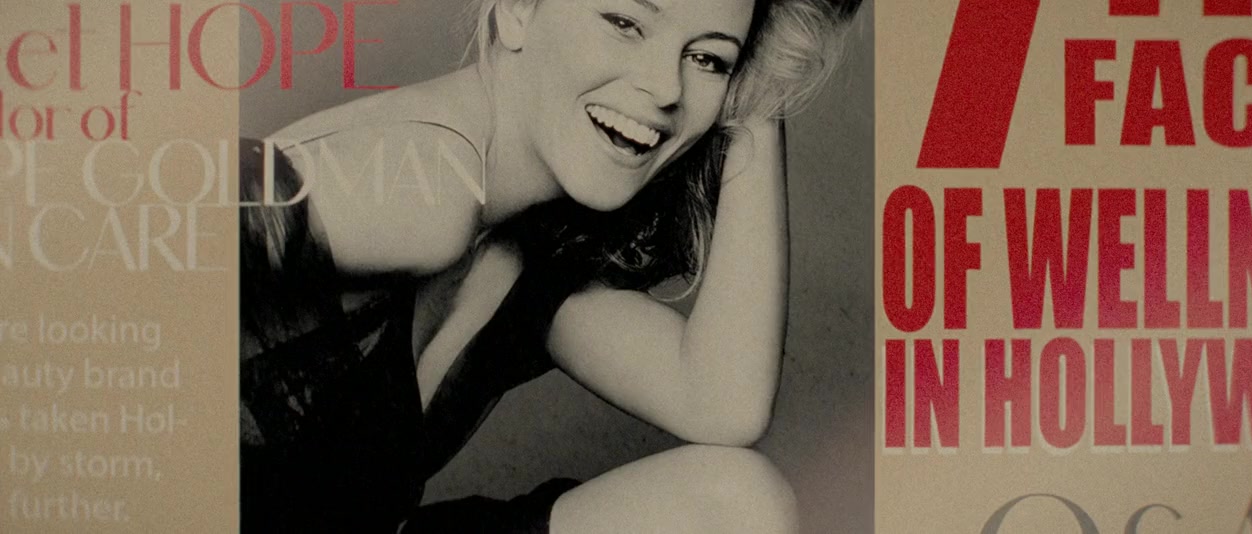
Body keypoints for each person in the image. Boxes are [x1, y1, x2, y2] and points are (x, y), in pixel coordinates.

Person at [238, 0, 854, 531]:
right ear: (517, 8)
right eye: (624, 23)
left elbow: (720, 401)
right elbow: (179, 237)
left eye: (707, 59)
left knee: (738, 505)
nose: (667, 87)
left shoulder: (523, 247)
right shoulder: (426, 180)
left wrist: (760, 93)